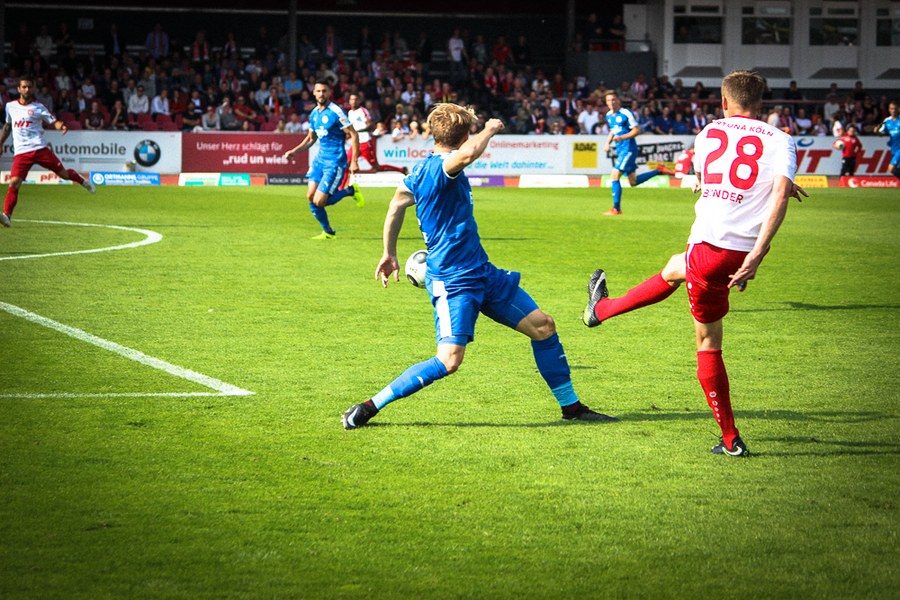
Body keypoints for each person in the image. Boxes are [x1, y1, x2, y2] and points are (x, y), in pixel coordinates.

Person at [341, 104, 617, 430]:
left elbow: (395, 207)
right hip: (454, 281)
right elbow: (468, 155)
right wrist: (491, 128)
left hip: (482, 273)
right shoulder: (444, 166)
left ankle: (572, 408)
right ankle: (369, 406)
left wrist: (389, 252)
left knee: (543, 326)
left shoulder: (416, 174)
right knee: (449, 360)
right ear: (464, 135)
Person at [582, 70, 807, 457]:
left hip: (711, 247)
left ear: (724, 102)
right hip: (739, 251)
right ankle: (600, 310)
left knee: (708, 343)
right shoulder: (782, 140)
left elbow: (707, 177)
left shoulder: (708, 133)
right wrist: (757, 251)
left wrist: (755, 251)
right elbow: (779, 194)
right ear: (760, 103)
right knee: (674, 267)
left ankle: (731, 439)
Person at [0, 75, 96, 228]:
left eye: (29, 87)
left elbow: (53, 121)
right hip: (22, 152)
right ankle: (7, 216)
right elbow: (7, 126)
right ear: (18, 89)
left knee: (64, 174)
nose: (27, 89)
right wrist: (0, 143)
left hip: (40, 149)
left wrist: (61, 126)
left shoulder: (38, 107)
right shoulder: (10, 106)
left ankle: (82, 181)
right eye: (24, 87)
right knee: (14, 183)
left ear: (34, 89)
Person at [282, 79, 365, 240]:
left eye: (324, 91)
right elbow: (311, 138)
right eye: (318, 91)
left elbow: (354, 134)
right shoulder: (314, 113)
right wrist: (294, 151)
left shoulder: (336, 111)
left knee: (319, 201)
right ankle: (328, 232)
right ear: (314, 93)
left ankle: (350, 190)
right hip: (319, 160)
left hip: (335, 162)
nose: (321, 94)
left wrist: (354, 160)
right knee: (310, 197)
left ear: (329, 92)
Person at [602, 90, 674, 216]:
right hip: (620, 150)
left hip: (629, 149)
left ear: (618, 100)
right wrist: (607, 143)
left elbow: (636, 130)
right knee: (633, 182)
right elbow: (613, 130)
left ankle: (616, 209)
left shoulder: (625, 113)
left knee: (614, 175)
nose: (611, 102)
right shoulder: (609, 115)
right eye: (608, 100)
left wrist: (622, 137)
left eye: (613, 99)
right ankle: (658, 170)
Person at [346, 93, 406, 174]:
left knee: (376, 168)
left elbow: (371, 126)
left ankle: (401, 170)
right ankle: (347, 181)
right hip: (355, 143)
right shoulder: (350, 113)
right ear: (349, 101)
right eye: (352, 99)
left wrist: (357, 131)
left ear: (359, 101)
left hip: (365, 142)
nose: (354, 101)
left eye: (356, 99)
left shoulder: (363, 111)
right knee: (347, 163)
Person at [875, 100, 900, 180]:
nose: (893, 110)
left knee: (891, 168)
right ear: (889, 109)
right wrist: (877, 131)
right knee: (894, 170)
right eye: (892, 108)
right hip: (893, 148)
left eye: (895, 108)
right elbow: (881, 133)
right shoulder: (886, 120)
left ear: (898, 109)